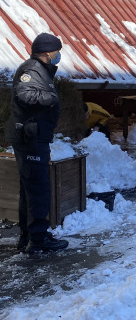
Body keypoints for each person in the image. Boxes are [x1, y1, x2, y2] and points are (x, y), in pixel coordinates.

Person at [5, 33, 69, 253]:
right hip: (31, 139)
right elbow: (24, 94)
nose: (58, 55)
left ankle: (28, 237)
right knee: (39, 190)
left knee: (29, 190)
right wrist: (50, 99)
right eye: (56, 51)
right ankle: (38, 240)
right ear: (47, 52)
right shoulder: (32, 70)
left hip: (33, 137)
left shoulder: (39, 70)